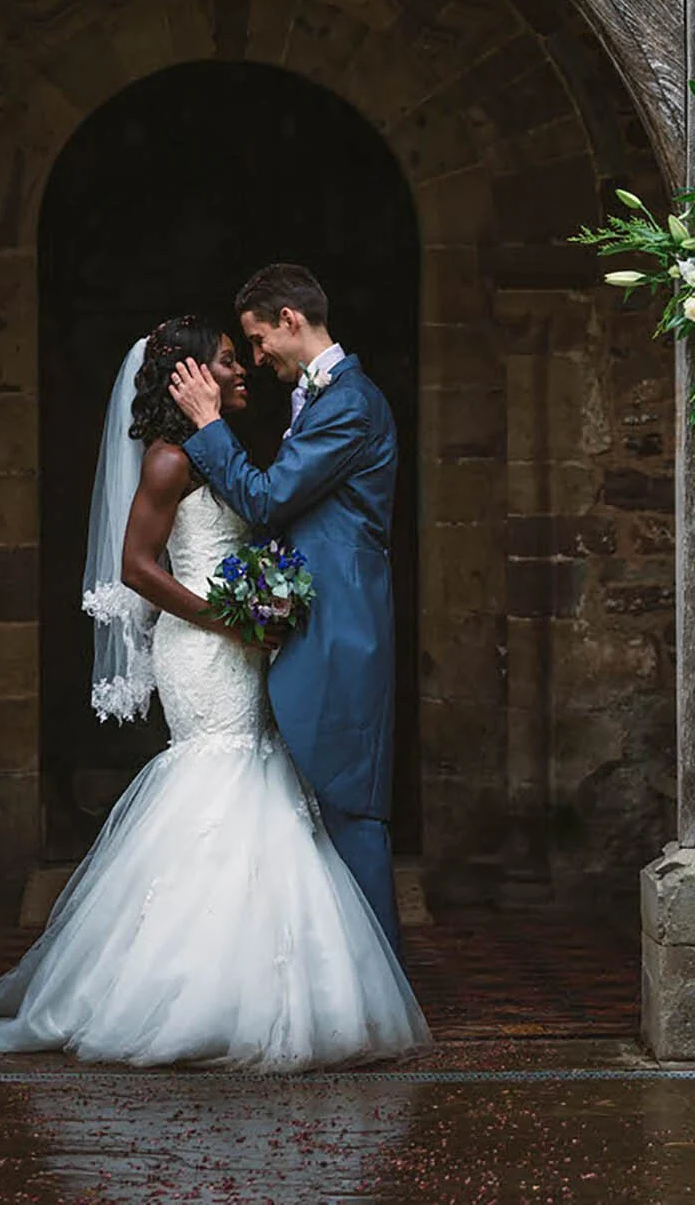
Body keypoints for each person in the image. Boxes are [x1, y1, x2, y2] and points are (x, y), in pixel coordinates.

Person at [0, 316, 429, 1069]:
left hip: (243, 647)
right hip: (205, 652)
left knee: (261, 793)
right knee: (217, 787)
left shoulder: (217, 454)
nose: (243, 369)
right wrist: (231, 620)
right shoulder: (166, 460)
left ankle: (257, 987)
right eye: (227, 361)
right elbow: (138, 567)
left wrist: (264, 608)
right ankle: (175, 992)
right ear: (190, 379)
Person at [170, 265, 403, 954]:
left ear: (290, 321)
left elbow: (270, 501)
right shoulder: (322, 398)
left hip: (343, 627)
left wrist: (209, 424)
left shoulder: (350, 404)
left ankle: (374, 985)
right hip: (312, 623)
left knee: (349, 803)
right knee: (314, 811)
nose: (255, 356)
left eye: (258, 337)